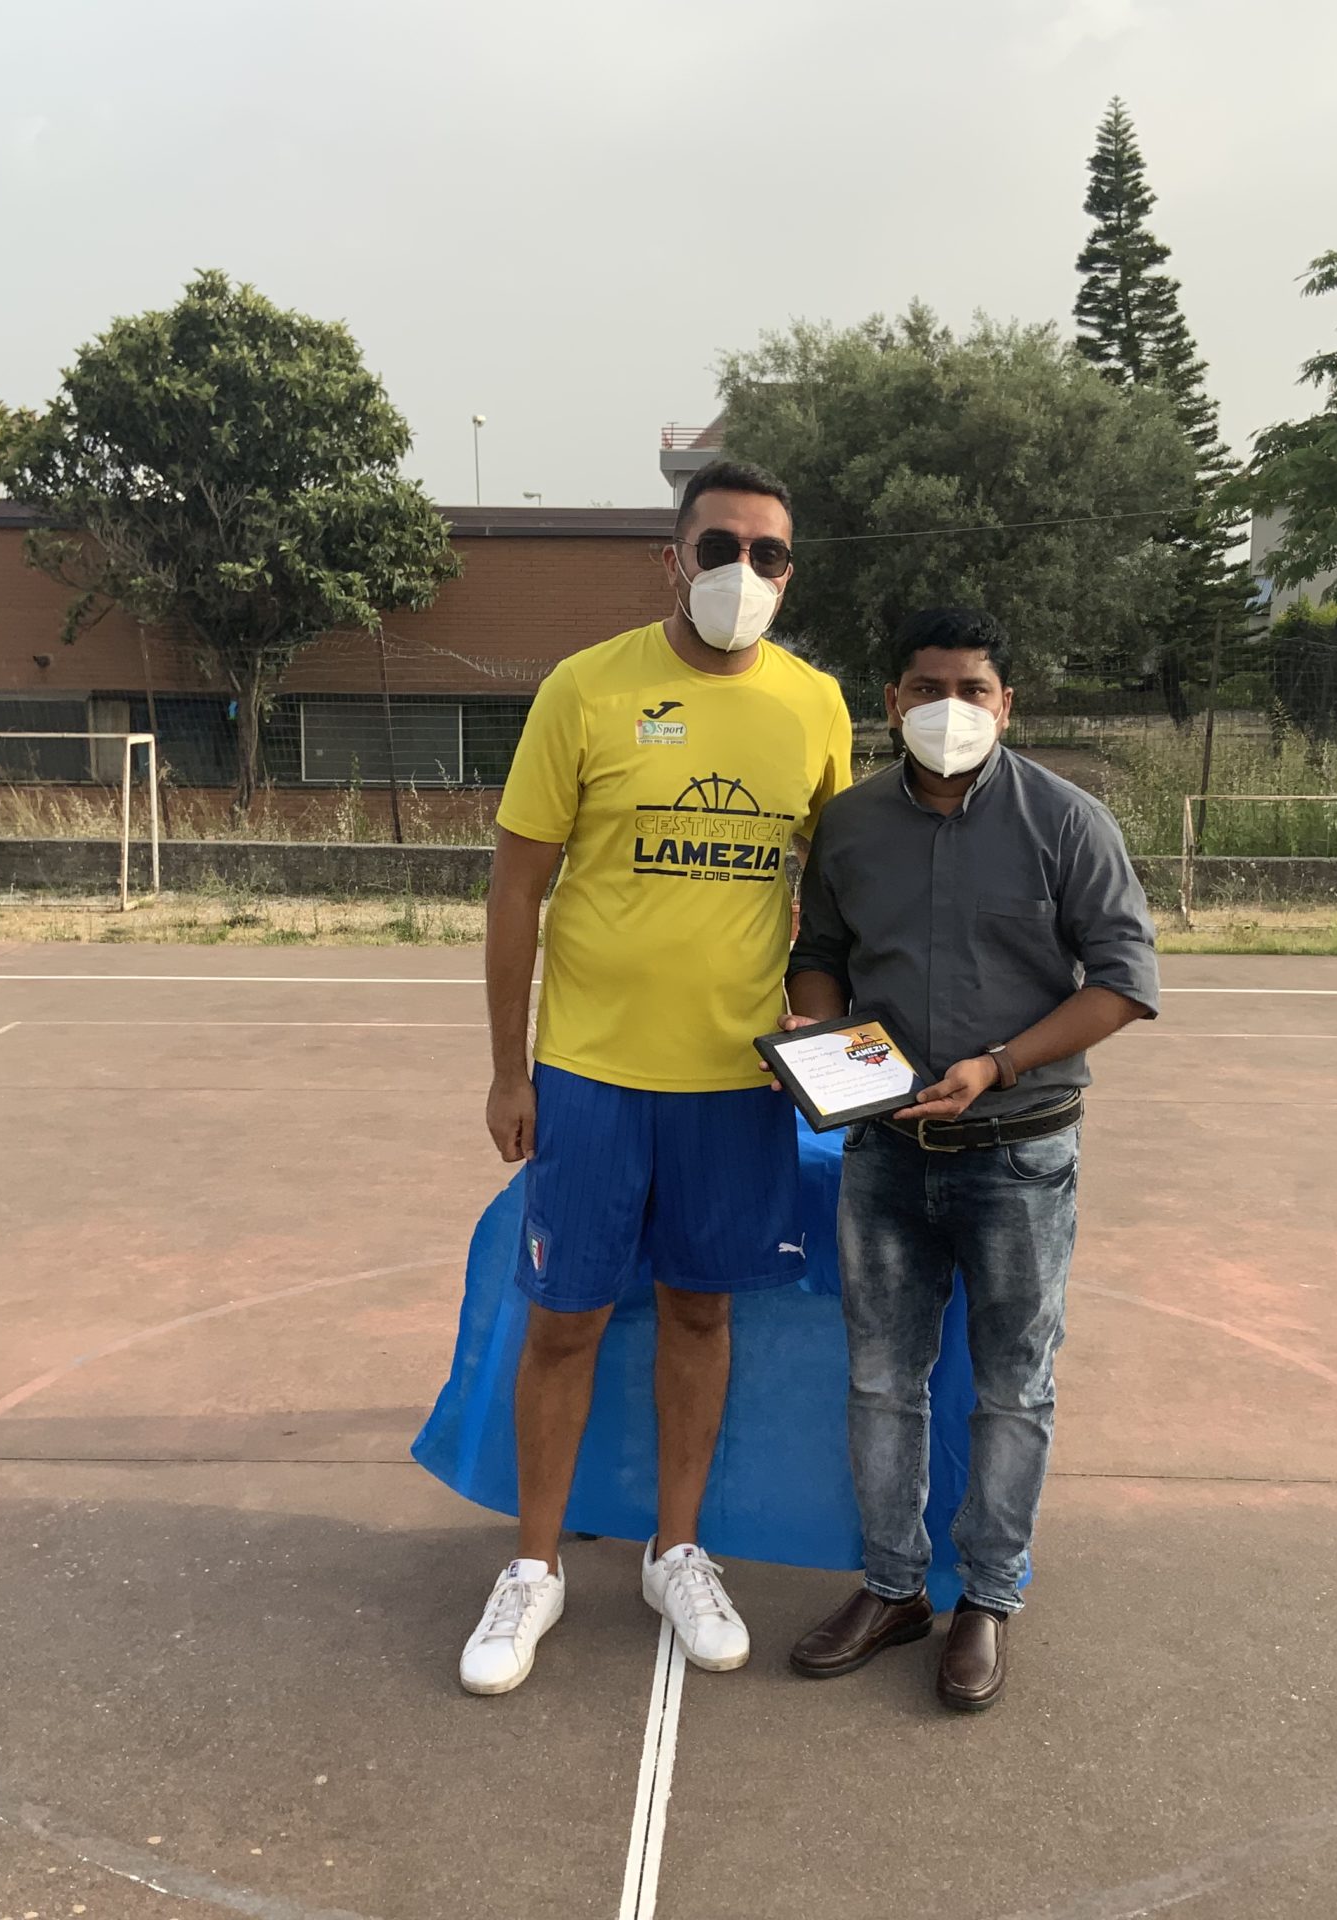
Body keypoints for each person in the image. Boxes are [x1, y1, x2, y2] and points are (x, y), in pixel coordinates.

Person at [460, 459, 855, 1696]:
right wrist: (508, 1070)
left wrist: (823, 1044)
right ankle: (532, 1567)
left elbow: (836, 899)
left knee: (697, 1313)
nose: (743, 570)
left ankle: (674, 1552)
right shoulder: (586, 688)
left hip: (736, 1087)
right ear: (672, 558)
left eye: (767, 553)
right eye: (719, 546)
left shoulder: (816, 706)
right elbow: (515, 893)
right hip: (589, 1074)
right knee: (565, 1319)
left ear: (790, 574)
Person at [781, 607, 1159, 1712]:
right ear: (891, 702)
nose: (948, 708)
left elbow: (1122, 982)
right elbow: (820, 953)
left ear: (1007, 704)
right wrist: (821, 1033)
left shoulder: (1068, 821)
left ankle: (987, 1598)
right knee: (880, 1381)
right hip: (885, 1152)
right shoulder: (851, 825)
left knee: (1012, 1388)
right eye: (926, 688)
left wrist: (997, 1065)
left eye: (972, 690)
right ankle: (894, 1588)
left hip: (1019, 1152)